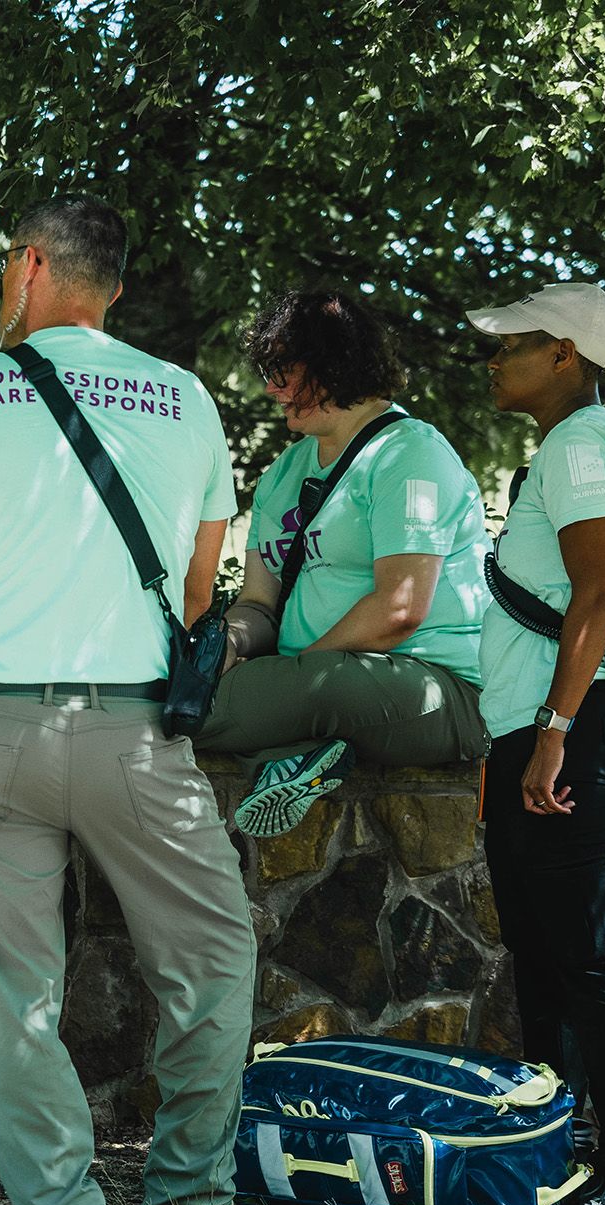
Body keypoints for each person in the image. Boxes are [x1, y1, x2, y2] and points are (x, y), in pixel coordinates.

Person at [0, 195, 313, 1205]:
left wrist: (2, 669)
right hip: (135, 736)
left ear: (29, 266)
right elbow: (194, 595)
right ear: (114, 290)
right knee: (214, 956)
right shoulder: (181, 399)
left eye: (5, 266)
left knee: (13, 991)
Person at [468, 280, 605, 1205]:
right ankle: (556, 1152)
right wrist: (517, 735)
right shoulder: (572, 447)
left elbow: (597, 596)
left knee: (593, 953)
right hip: (544, 725)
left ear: (564, 355)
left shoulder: (584, 446)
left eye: (513, 343)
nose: (495, 357)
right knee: (548, 954)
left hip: (576, 723)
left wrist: (552, 730)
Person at [199, 290, 490, 837]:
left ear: (331, 364)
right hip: (321, 681)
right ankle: (302, 754)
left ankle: (279, 740)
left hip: (438, 687)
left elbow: (399, 610)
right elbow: (258, 604)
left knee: (192, 709)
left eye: (281, 369)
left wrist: (290, 677)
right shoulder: (284, 473)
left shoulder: (411, 453)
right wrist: (229, 646)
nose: (270, 388)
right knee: (201, 682)